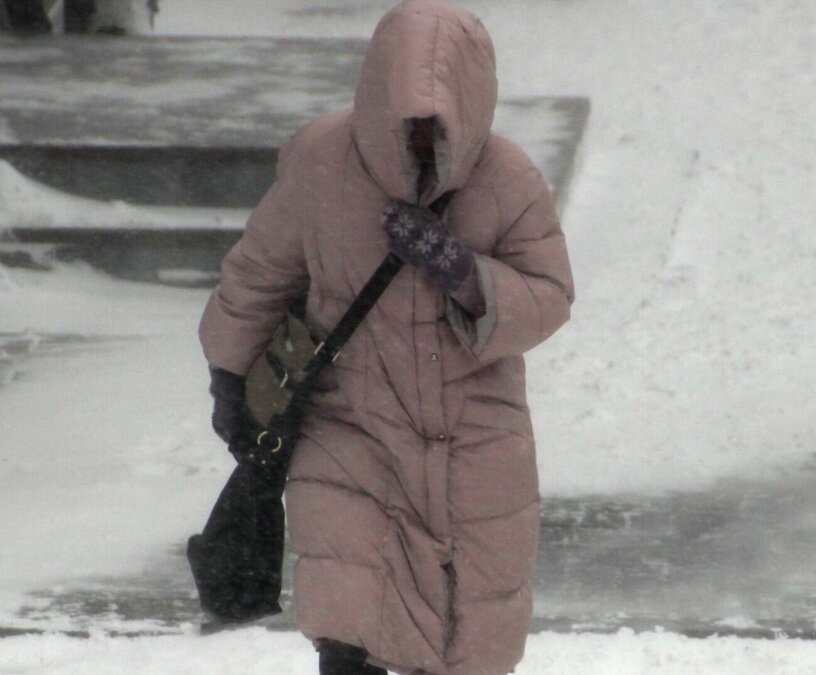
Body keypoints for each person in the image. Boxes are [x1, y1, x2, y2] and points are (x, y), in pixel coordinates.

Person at [199, 1, 574, 673]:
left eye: (437, 128)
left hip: (476, 445)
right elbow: (258, 274)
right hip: (351, 438)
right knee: (353, 619)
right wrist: (230, 375)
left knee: (472, 634)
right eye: (408, 127)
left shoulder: (508, 178)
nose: (422, 145)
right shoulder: (322, 161)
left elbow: (550, 295)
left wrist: (465, 276)